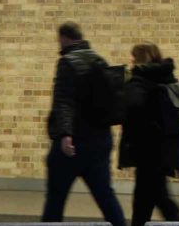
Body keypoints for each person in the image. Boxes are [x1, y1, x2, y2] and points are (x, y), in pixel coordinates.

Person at [42, 22, 127, 226]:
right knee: (105, 195)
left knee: (55, 197)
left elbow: (64, 101)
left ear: (64, 38)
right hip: (100, 139)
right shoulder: (99, 60)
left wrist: (65, 134)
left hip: (73, 143)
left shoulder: (67, 62)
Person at [118, 42, 179, 226]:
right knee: (148, 196)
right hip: (164, 146)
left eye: (133, 57)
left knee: (157, 197)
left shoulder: (140, 80)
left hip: (146, 148)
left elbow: (134, 108)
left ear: (140, 58)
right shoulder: (166, 76)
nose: (131, 60)